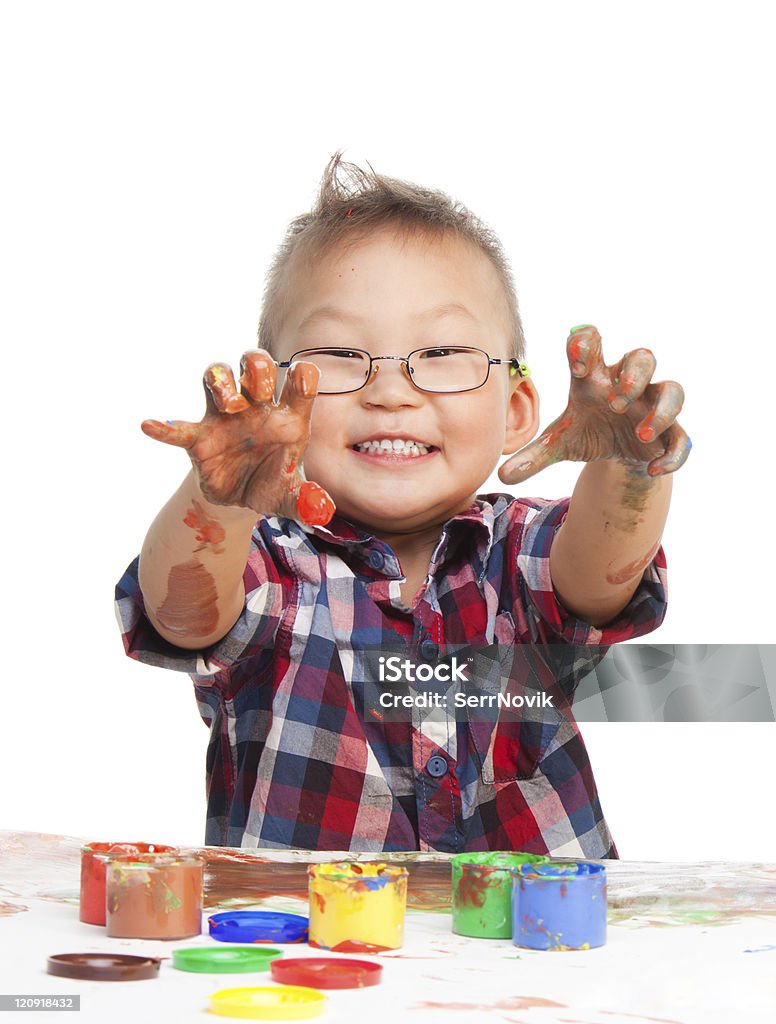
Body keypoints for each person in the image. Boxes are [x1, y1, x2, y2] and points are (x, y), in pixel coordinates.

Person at [115, 152, 690, 854]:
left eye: (442, 350)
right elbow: (182, 616)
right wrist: (219, 503)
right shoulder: (267, 561)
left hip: (538, 949)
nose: (391, 391)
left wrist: (629, 466)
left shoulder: (517, 549)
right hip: (308, 950)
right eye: (340, 353)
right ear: (275, 399)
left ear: (514, 410)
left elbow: (600, 572)